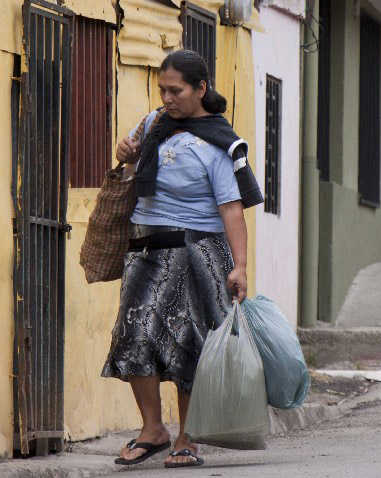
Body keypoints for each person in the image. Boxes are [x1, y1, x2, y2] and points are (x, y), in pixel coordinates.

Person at [101, 49, 263, 468]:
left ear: (200, 89)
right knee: (134, 335)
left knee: (192, 345)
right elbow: (132, 168)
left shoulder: (219, 142)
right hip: (146, 250)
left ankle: (187, 438)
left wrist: (240, 265)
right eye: (162, 90)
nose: (167, 98)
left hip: (198, 253)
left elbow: (231, 208)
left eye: (176, 90)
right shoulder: (153, 124)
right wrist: (126, 153)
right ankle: (153, 429)